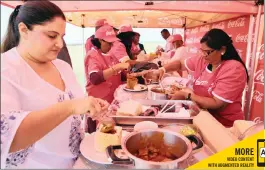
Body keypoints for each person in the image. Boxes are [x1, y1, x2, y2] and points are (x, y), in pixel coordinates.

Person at [1, 1, 109, 169]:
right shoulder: (6, 69)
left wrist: (91, 106)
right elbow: (8, 138)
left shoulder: (62, 67)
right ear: (24, 30)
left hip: (78, 161)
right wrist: (71, 107)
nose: (60, 44)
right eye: (52, 36)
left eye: (62, 37)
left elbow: (77, 105)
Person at [132, 29, 248, 128]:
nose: (203, 55)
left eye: (207, 52)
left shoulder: (233, 68)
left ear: (222, 50)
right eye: (201, 50)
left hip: (224, 126)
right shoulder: (203, 59)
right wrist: (161, 70)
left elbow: (217, 103)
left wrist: (188, 95)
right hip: (203, 118)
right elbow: (180, 64)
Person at [84, 25, 130, 103]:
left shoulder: (110, 54)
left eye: (112, 43)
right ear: (100, 40)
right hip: (99, 102)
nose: (111, 45)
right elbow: (95, 78)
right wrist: (116, 67)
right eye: (109, 43)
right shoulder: (92, 55)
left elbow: (119, 75)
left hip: (112, 100)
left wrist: (128, 74)